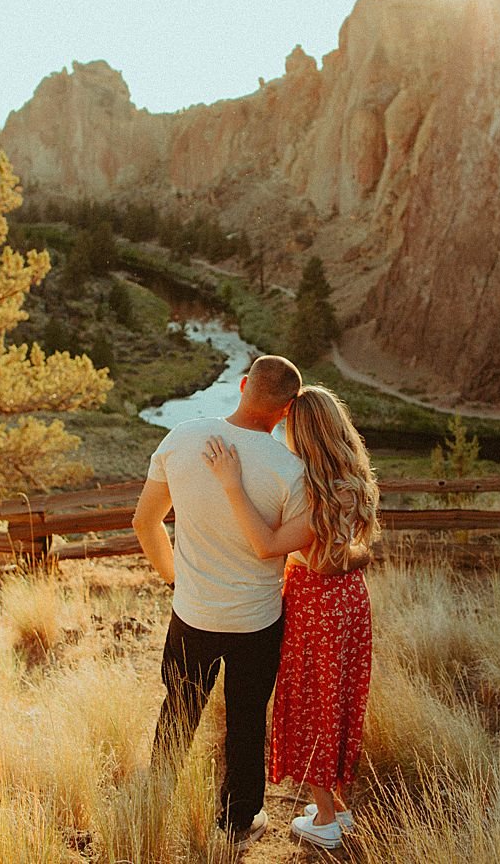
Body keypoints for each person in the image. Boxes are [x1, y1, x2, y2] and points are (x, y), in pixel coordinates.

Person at [133, 355, 369, 848]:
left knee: (178, 709)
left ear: (242, 385)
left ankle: (154, 805)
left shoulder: (183, 437)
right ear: (286, 411)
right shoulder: (293, 471)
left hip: (192, 613)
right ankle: (239, 824)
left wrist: (177, 580)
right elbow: (308, 547)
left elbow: (144, 522)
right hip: (258, 622)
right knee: (245, 720)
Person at [201, 384, 378, 851]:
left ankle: (325, 820)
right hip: (350, 603)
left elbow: (277, 547)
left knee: (313, 702)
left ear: (305, 433)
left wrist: (232, 484)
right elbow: (349, 551)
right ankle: (338, 807)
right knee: (338, 699)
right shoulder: (353, 478)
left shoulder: (317, 491)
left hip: (317, 604)